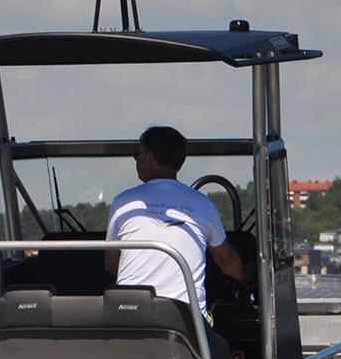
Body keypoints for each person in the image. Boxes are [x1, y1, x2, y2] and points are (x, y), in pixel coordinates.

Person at [104, 125, 245, 318]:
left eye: (137, 154)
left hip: (132, 313)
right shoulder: (202, 203)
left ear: (149, 157)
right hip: (184, 319)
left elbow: (112, 264)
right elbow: (226, 260)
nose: (136, 160)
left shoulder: (124, 203)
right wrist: (248, 276)